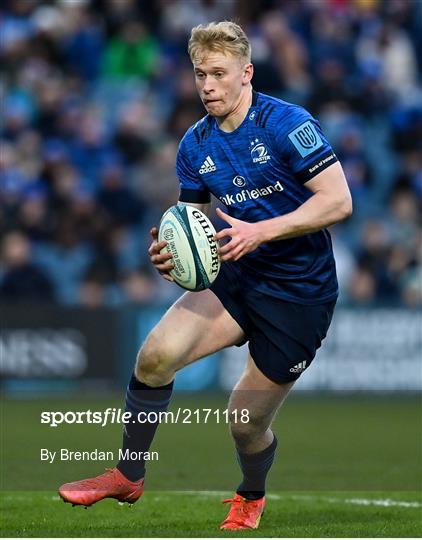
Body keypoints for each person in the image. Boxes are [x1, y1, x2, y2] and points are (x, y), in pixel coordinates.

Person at [59, 21, 352, 530]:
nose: (208, 85)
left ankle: (251, 494)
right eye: (200, 74)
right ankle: (128, 475)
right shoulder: (194, 144)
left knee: (245, 422)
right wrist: (169, 254)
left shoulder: (287, 124)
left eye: (219, 73)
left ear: (247, 73)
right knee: (154, 357)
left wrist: (263, 231)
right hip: (239, 273)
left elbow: (338, 201)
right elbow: (189, 223)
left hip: (298, 293)